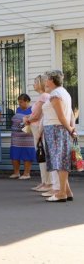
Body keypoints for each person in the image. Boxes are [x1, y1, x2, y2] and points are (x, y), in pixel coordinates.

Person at [42, 70, 77, 203]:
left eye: (47, 79)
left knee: (60, 161)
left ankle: (61, 193)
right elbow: (71, 114)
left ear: (51, 79)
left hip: (56, 129)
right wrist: (71, 128)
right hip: (58, 129)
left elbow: (61, 115)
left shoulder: (56, 94)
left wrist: (70, 129)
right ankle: (67, 191)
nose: (45, 81)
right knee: (61, 159)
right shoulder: (64, 92)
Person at [23, 75, 53, 192]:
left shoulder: (43, 96)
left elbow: (36, 115)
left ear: (40, 83)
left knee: (42, 155)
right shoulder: (43, 96)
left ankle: (47, 183)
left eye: (35, 82)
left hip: (39, 129)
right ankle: (44, 181)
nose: (33, 84)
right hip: (38, 128)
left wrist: (27, 119)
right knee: (41, 155)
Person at [9, 94, 36, 179]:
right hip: (16, 137)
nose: (19, 104)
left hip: (28, 136)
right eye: (19, 102)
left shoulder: (33, 110)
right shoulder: (18, 109)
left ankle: (26, 174)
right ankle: (16, 172)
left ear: (27, 101)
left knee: (27, 153)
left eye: (21, 102)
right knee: (15, 153)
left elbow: (34, 121)